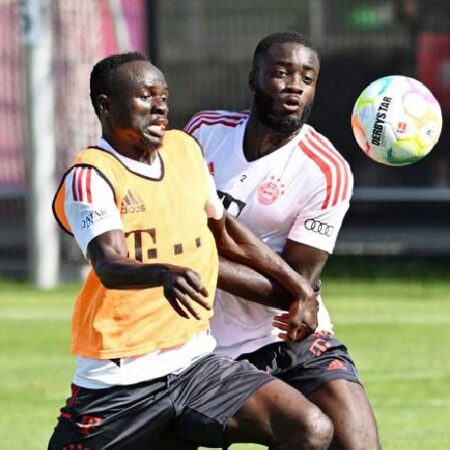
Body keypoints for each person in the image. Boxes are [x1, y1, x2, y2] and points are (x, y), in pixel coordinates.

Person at [48, 51, 334, 450]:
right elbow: (109, 262)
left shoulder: (183, 149)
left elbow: (226, 232)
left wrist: (300, 288)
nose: (160, 106)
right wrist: (163, 273)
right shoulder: (90, 176)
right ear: (105, 105)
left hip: (195, 364)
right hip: (119, 380)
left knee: (309, 427)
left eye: (163, 96)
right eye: (146, 96)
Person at [182, 32, 381, 449]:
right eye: (281, 72)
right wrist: (189, 256)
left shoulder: (326, 170)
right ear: (253, 79)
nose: (294, 85)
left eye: (307, 78)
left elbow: (293, 289)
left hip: (290, 336)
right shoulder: (204, 132)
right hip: (208, 344)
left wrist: (194, 260)